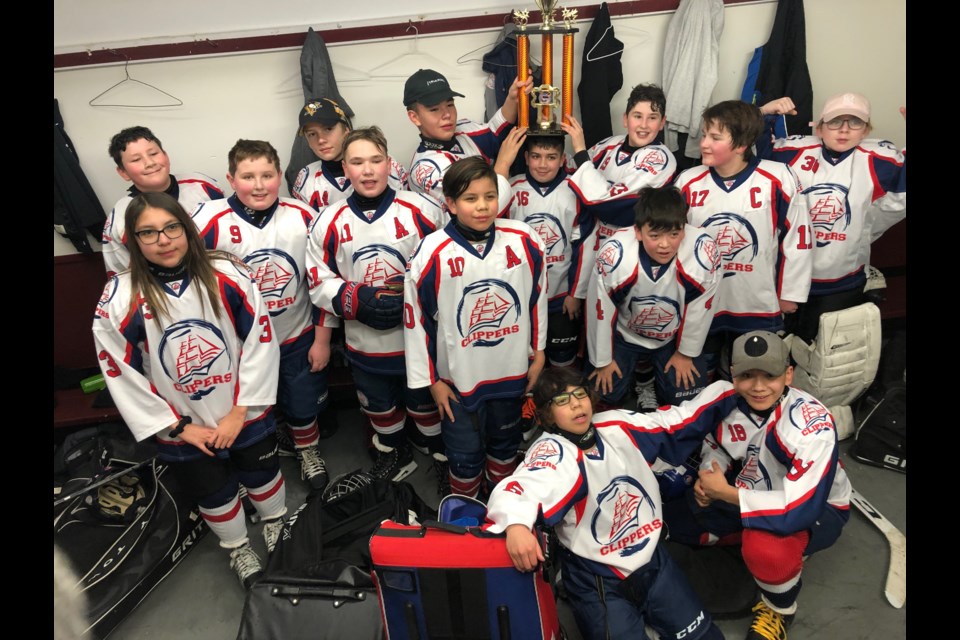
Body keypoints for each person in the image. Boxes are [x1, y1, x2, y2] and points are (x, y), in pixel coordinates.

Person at [92, 192, 286, 589]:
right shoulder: (119, 297)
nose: (163, 240)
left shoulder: (228, 273)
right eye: (148, 233)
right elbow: (120, 372)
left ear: (186, 228)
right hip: (185, 423)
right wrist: (179, 427)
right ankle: (238, 548)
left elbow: (260, 340)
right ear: (133, 240)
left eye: (171, 227)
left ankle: (276, 526)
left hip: (242, 410)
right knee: (212, 491)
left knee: (262, 471)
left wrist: (240, 411)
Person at [485, 366, 738, 640]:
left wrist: (738, 388)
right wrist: (516, 524)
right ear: (547, 414)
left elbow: (679, 419)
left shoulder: (617, 425)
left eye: (579, 394)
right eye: (561, 400)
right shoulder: (553, 450)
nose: (575, 404)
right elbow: (521, 486)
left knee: (704, 636)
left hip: (651, 560)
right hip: (596, 578)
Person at [663, 330, 850, 640]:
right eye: (748, 375)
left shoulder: (810, 423)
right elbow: (718, 445)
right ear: (733, 374)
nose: (759, 386)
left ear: (788, 374)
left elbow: (797, 509)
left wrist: (725, 493)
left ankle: (780, 608)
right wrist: (713, 476)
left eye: (770, 375)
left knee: (765, 550)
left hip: (818, 509)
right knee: (669, 523)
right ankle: (739, 536)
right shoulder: (726, 398)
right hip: (749, 490)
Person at [305, 126, 448, 491]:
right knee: (379, 405)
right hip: (365, 342)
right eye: (356, 162)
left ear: (389, 163)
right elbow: (318, 279)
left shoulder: (424, 210)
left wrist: (416, 296)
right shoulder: (328, 220)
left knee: (424, 401)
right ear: (345, 167)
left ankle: (438, 451)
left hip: (418, 343)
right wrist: (351, 298)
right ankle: (393, 452)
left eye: (374, 160)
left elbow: (450, 263)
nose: (367, 170)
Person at [190, 139, 333, 492]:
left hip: (295, 332)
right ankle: (256, 466)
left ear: (279, 175)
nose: (258, 185)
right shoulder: (207, 220)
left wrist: (322, 337)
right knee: (247, 411)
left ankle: (307, 449)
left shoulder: (302, 216)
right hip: (238, 345)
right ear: (230, 178)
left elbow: (323, 280)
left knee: (302, 402)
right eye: (248, 176)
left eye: (267, 175)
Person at [404, 157, 547, 499]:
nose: (482, 207)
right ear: (451, 204)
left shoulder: (524, 239)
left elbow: (536, 297)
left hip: (511, 370)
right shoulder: (432, 251)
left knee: (505, 445)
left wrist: (539, 351)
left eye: (489, 196)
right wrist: (433, 382)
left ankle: (502, 503)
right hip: (458, 378)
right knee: (465, 455)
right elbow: (416, 319)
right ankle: (466, 509)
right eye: (470, 199)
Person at [674, 100, 812, 379]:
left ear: (740, 144)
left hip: (757, 300)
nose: (704, 143)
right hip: (701, 302)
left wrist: (789, 294)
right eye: (704, 135)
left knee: (752, 377)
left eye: (715, 137)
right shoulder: (687, 181)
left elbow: (798, 237)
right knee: (696, 380)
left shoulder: (777, 177)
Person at [561, 85, 678, 406]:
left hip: (636, 257)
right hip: (595, 251)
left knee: (634, 327)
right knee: (596, 332)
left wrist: (591, 177)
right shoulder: (608, 146)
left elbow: (614, 203)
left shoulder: (660, 157)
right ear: (625, 118)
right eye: (637, 116)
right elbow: (580, 189)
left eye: (652, 118)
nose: (643, 124)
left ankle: (641, 388)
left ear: (663, 122)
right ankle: (602, 401)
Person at [756, 93, 906, 342]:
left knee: (828, 357)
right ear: (820, 127)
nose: (844, 130)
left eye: (855, 122)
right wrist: (763, 114)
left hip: (843, 282)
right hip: (785, 279)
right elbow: (751, 155)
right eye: (835, 121)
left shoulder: (881, 160)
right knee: (777, 350)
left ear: (866, 130)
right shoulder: (792, 151)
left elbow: (901, 195)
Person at [585, 186, 721, 411]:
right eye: (655, 235)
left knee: (687, 394)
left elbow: (702, 308)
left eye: (674, 234)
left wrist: (686, 353)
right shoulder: (616, 255)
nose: (665, 244)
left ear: (684, 230)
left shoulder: (702, 254)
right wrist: (603, 360)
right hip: (625, 334)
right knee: (602, 391)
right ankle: (639, 377)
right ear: (638, 232)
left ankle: (647, 379)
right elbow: (599, 308)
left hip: (672, 338)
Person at [496, 132, 584, 370]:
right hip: (523, 294)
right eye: (536, 156)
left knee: (562, 360)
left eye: (551, 157)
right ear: (525, 157)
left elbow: (582, 246)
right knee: (524, 358)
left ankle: (559, 400)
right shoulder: (511, 187)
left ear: (563, 158)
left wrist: (575, 293)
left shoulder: (575, 189)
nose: (543, 164)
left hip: (562, 296)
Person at [101, 126, 223, 277]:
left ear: (166, 156)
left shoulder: (203, 185)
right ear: (123, 172)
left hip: (219, 280)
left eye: (153, 153)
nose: (149, 163)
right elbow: (121, 274)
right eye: (136, 159)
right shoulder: (120, 217)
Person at [403, 68, 532, 205]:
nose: (447, 114)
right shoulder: (429, 169)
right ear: (414, 117)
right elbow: (481, 209)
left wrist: (512, 98)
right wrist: (503, 164)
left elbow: (495, 130)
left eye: (450, 104)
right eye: (434, 109)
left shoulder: (462, 129)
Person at [290, 97, 408, 213]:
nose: (321, 140)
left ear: (346, 130)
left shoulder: (389, 167)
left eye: (328, 129)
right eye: (312, 134)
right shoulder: (305, 179)